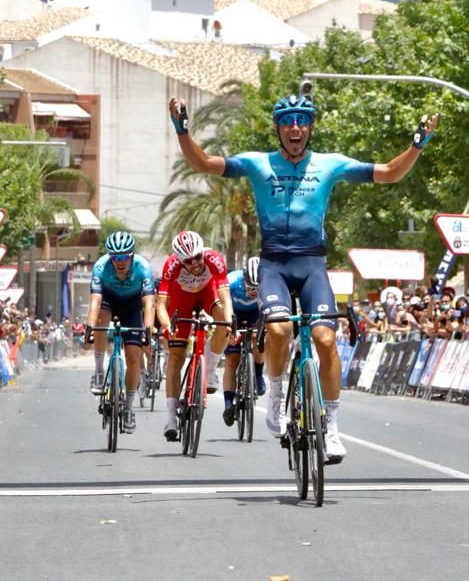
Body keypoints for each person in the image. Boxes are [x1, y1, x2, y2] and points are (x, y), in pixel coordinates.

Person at [169, 89, 438, 463]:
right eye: (287, 122)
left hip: (312, 264)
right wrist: (182, 129)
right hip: (274, 265)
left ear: (310, 127)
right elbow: (202, 163)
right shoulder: (257, 163)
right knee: (278, 329)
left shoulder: (331, 164)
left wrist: (418, 143)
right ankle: (276, 394)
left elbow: (391, 173)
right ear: (278, 129)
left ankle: (331, 429)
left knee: (326, 339)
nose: (295, 128)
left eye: (302, 122)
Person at [154, 230, 233, 441]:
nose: (196, 264)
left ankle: (211, 367)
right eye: (189, 261)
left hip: (208, 293)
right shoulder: (171, 265)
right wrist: (166, 325)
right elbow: (160, 304)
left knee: (223, 321)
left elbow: (225, 297)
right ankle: (171, 417)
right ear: (179, 260)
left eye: (198, 257)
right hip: (182, 300)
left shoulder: (214, 259)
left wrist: (230, 320)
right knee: (176, 357)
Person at [85, 231, 156, 434]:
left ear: (131, 255)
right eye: (115, 257)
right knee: (100, 319)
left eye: (124, 256)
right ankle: (99, 372)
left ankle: (128, 408)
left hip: (132, 308)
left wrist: (148, 332)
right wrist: (89, 328)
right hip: (108, 302)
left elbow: (149, 304)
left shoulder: (143, 268)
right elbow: (95, 302)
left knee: (134, 357)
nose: (119, 261)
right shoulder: (101, 267)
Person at [221, 256, 267, 426]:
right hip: (235, 314)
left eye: (256, 289)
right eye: (249, 287)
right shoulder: (232, 281)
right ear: (243, 279)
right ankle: (228, 405)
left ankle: (259, 374)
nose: (252, 292)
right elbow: (223, 304)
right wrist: (229, 328)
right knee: (231, 360)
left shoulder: (268, 284)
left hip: (256, 314)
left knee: (258, 337)